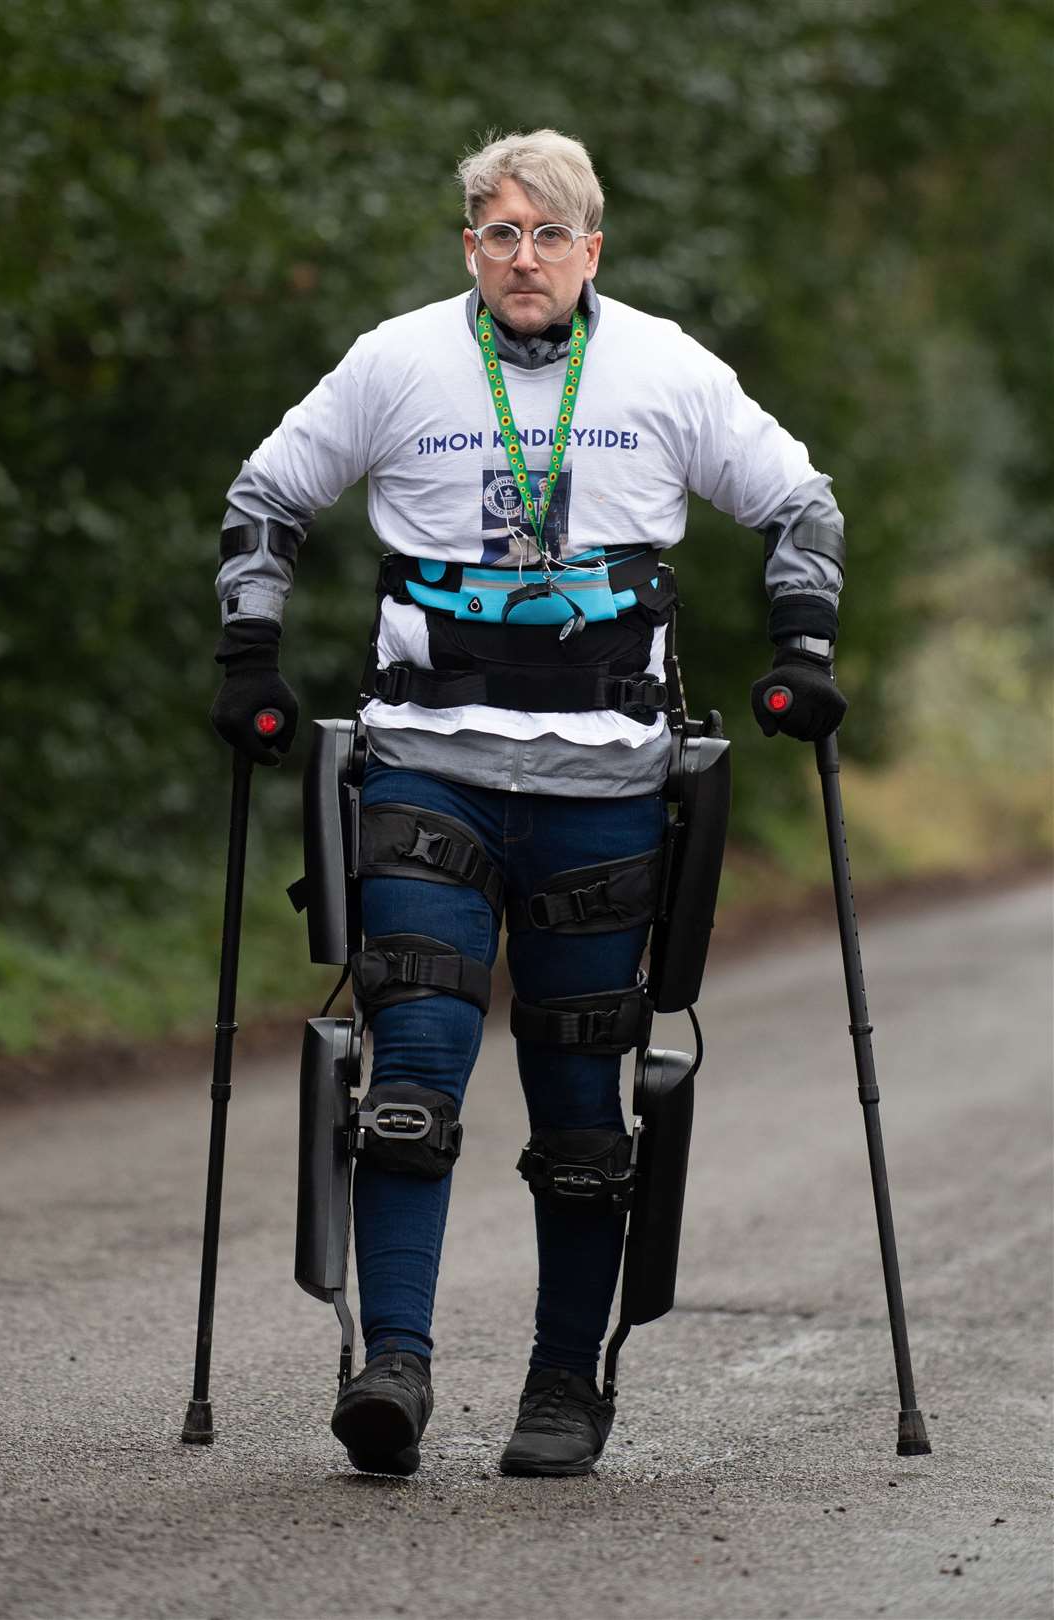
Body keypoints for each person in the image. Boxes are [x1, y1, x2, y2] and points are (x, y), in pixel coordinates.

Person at [210, 129, 847, 1479]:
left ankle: (564, 1389)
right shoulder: (396, 362)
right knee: (412, 1082)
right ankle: (394, 1369)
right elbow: (267, 497)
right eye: (500, 233)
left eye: (549, 234)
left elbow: (801, 507)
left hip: (606, 791)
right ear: (469, 248)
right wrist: (246, 659)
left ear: (591, 248)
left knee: (579, 1120)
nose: (525, 257)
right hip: (427, 772)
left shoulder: (666, 368)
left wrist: (803, 648)